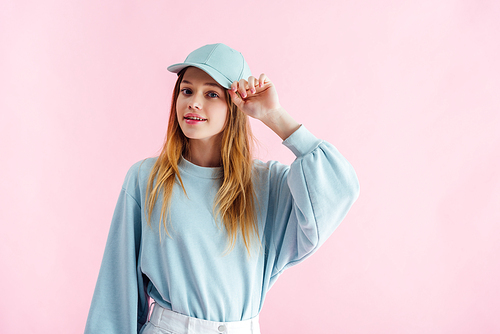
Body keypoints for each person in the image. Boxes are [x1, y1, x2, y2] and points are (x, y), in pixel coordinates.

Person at [84, 43, 360, 334]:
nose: (193, 102)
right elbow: (116, 290)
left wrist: (274, 116)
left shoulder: (268, 185)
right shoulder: (147, 178)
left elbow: (340, 189)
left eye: (212, 94)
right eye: (186, 90)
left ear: (236, 106)